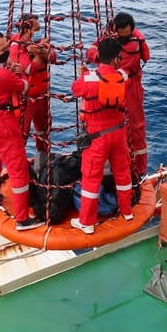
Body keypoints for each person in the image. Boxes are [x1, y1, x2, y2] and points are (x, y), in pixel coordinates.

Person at [0, 30, 44, 231]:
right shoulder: (2, 74)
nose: (7, 52)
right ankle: (22, 219)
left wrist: (7, 68)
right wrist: (18, 70)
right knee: (19, 169)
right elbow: (24, 86)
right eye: (3, 49)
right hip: (3, 124)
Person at [70, 37, 134, 235]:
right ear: (116, 59)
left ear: (99, 57)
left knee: (91, 178)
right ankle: (127, 211)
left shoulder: (88, 79)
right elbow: (120, 76)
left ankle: (87, 222)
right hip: (119, 133)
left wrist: (85, 74)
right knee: (122, 173)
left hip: (97, 136)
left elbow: (75, 90)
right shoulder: (123, 76)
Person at [87, 12, 150, 177]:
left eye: (125, 36)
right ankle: (115, 162)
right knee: (113, 124)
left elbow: (113, 66)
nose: (122, 39)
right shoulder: (111, 34)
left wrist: (100, 58)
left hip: (130, 88)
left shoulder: (133, 45)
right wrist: (99, 56)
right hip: (114, 84)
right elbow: (92, 50)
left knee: (135, 127)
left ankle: (138, 170)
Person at [8, 14, 57, 155]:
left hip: (42, 95)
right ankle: (17, 162)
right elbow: (29, 69)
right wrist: (40, 53)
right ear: (28, 30)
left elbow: (53, 57)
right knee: (21, 133)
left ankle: (42, 161)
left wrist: (40, 50)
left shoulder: (40, 42)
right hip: (26, 99)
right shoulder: (16, 46)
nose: (39, 32)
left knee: (43, 131)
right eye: (37, 29)